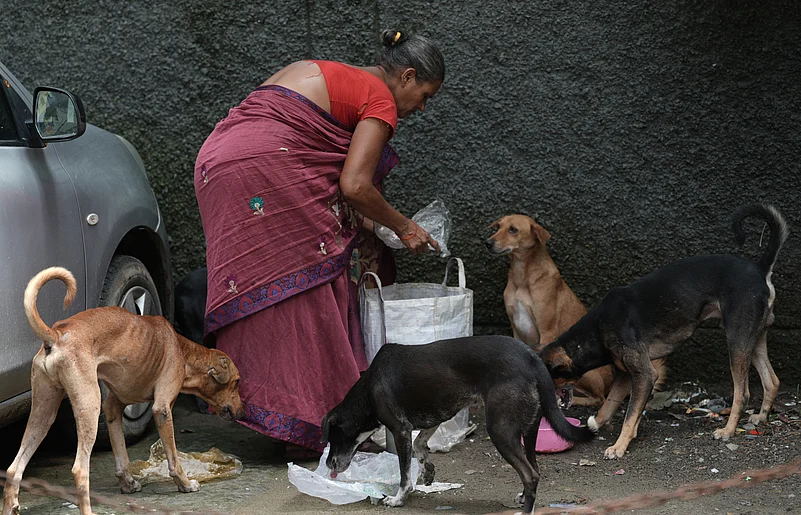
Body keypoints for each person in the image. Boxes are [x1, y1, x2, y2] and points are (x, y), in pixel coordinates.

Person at [194, 29, 445, 458]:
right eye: (425, 95)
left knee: (269, 287)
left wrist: (372, 225)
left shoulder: (336, 72)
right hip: (264, 167)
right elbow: (353, 185)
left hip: (217, 161)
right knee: (312, 278)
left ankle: (277, 412)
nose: (421, 107)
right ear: (406, 76)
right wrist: (404, 227)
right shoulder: (380, 99)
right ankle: (317, 422)